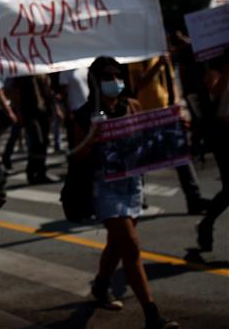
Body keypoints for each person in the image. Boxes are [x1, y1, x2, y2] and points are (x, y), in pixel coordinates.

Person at [71, 57, 178, 329]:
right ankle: (152, 314)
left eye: (117, 76)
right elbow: (77, 155)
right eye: (108, 77)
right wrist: (92, 138)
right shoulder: (84, 115)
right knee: (130, 246)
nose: (115, 81)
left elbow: (147, 140)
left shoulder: (131, 106)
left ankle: (101, 284)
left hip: (132, 184)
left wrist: (171, 129)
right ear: (96, 81)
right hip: (104, 187)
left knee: (118, 243)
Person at [127, 55, 210, 214]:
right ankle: (138, 199)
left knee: (181, 157)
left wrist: (178, 106)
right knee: (141, 158)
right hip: (146, 115)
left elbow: (173, 83)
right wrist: (158, 64)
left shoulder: (162, 54)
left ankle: (194, 198)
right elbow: (139, 83)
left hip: (167, 114)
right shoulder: (137, 57)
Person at [197, 48, 229, 251]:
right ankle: (206, 224)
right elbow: (214, 93)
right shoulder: (214, 70)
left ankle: (206, 224)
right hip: (225, 134)